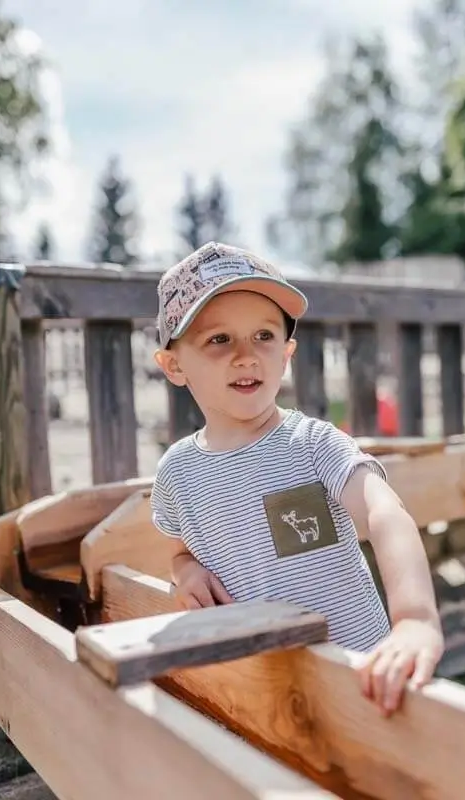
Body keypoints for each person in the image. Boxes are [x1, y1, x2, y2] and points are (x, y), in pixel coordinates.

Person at [150, 241, 444, 716]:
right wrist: (185, 572)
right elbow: (179, 549)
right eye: (219, 340)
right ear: (174, 364)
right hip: (263, 692)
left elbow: (385, 512)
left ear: (286, 353)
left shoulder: (312, 444)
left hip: (362, 678)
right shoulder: (177, 473)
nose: (246, 356)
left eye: (263, 336)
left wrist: (414, 619)